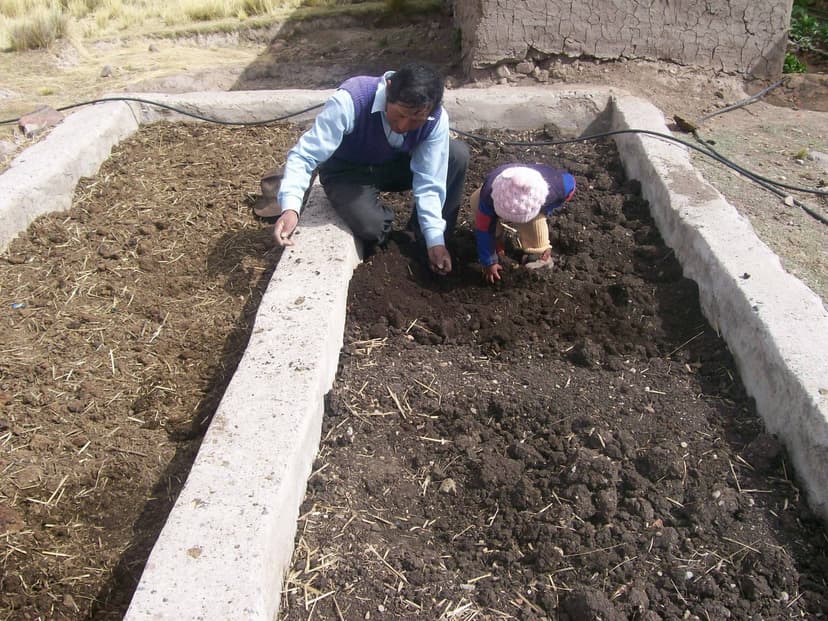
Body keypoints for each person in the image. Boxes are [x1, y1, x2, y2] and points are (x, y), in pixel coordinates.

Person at [271, 62, 469, 276]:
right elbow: (304, 155)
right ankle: (390, 239)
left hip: (395, 165)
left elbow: (429, 181)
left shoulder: (434, 119)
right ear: (389, 89)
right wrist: (290, 207)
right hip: (349, 171)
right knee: (370, 227)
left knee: (455, 155)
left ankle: (424, 241)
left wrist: (435, 239)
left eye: (415, 121)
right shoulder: (352, 100)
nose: (403, 126)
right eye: (400, 114)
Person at [471, 164, 576, 284]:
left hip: (535, 197)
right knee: (476, 201)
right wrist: (489, 261)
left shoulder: (557, 186)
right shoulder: (489, 193)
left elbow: (571, 185)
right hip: (501, 194)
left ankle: (539, 252)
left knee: (535, 219)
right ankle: (495, 239)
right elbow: (484, 228)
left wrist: (546, 209)